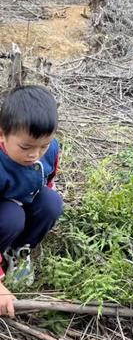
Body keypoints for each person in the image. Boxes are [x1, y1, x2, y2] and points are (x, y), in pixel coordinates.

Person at [0, 85, 63, 317]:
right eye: (26, 147)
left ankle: (18, 250)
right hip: (5, 211)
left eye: (43, 146)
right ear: (2, 135)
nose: (34, 154)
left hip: (21, 199)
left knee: (51, 203)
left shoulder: (50, 150)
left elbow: (48, 177)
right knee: (12, 218)